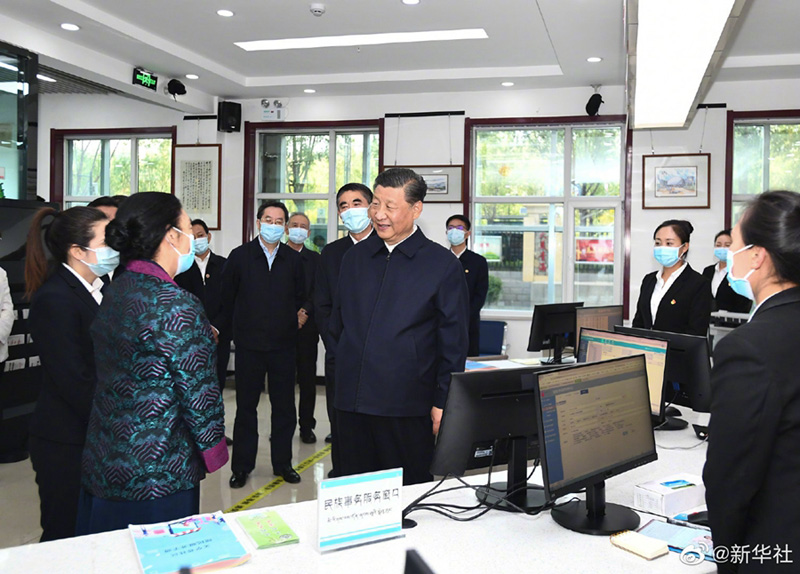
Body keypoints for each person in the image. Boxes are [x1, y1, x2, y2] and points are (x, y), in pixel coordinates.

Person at [77, 192, 227, 534]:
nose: (192, 239)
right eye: (187, 228)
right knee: (158, 552)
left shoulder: (117, 289)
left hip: (105, 456)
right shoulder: (176, 303)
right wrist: (213, 448)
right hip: (158, 467)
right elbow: (198, 393)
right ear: (171, 235)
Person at [330, 168, 469, 485]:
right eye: (375, 204)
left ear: (416, 208)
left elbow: (453, 343)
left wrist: (442, 402)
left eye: (390, 206)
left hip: (406, 406)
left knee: (405, 492)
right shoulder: (355, 258)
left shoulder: (441, 265)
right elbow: (339, 324)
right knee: (351, 489)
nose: (379, 214)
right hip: (350, 404)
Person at [703, 191, 800, 573]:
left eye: (734, 244)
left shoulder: (749, 347)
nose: (729, 254)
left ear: (757, 256)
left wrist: (728, 562)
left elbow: (730, 481)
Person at [23, 206, 113, 541]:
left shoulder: (100, 288)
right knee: (64, 532)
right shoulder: (55, 298)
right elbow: (74, 379)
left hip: (93, 435)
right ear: (77, 251)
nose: (115, 248)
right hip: (66, 440)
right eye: (106, 241)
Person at [220, 200, 305, 488]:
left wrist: (296, 317)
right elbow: (227, 297)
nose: (273, 225)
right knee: (246, 407)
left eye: (279, 221)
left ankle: (283, 464)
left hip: (283, 346)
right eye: (268, 220)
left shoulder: (293, 260)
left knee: (284, 408)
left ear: (285, 227)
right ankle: (242, 466)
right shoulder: (240, 256)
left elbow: (302, 295)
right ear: (258, 223)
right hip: (249, 346)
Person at [314, 182, 374, 476]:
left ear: (372, 207)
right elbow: (322, 304)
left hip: (380, 358)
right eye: (343, 206)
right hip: (341, 354)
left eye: (357, 203)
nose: (350, 210)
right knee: (341, 422)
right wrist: (336, 344)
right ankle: (342, 472)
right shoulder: (332, 253)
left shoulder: (386, 247)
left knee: (375, 425)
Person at [175, 219, 231, 400]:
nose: (197, 240)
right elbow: (179, 302)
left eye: (200, 235)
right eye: (192, 237)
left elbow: (230, 301)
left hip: (219, 336)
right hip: (190, 337)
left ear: (209, 236)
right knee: (192, 387)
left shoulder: (224, 265)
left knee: (217, 384)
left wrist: (215, 328)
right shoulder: (182, 267)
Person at [632, 219, 712, 336]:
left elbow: (696, 332)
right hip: (646, 347)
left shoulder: (698, 284)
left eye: (669, 243)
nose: (662, 248)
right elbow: (639, 322)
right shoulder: (649, 280)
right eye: (658, 243)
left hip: (678, 348)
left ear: (684, 247)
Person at [286, 212, 321, 444]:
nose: (298, 229)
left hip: (308, 327)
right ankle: (284, 425)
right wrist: (290, 315)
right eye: (294, 225)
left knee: (307, 380)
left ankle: (306, 425)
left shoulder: (316, 260)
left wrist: (304, 312)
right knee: (284, 381)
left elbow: (319, 290)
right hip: (281, 327)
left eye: (303, 227)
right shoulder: (277, 256)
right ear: (287, 229)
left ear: (308, 233)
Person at [445, 214, 489, 356]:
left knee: (468, 363)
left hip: (468, 324)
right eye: (451, 228)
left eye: (459, 228)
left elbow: (480, 295)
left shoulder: (478, 262)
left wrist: (463, 317)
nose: (454, 231)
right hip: (441, 324)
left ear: (467, 233)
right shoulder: (439, 259)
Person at [702, 229, 753, 314]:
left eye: (727, 245)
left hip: (732, 320)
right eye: (718, 245)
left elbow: (744, 304)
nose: (722, 248)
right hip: (707, 320)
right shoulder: (708, 271)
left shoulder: (741, 273)